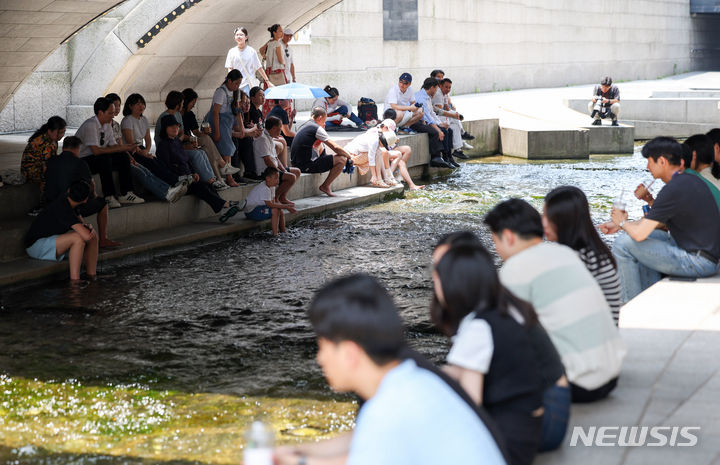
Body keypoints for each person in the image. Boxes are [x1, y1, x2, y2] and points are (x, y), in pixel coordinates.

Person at [274, 273, 507, 465]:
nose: (319, 359)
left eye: (322, 347)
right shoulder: (410, 379)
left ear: (349, 353)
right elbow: (365, 442)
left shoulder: (389, 406)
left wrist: (300, 461)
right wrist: (297, 451)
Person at [431, 234, 566, 464]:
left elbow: (472, 403)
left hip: (508, 445)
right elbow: (459, 371)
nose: (434, 282)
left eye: (438, 275)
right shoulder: (497, 314)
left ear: (455, 283)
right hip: (528, 431)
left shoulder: (475, 328)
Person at [485, 198, 625, 403]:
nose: (496, 249)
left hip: (578, 384)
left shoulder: (514, 269)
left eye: (495, 241)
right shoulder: (565, 253)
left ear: (508, 237)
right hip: (611, 375)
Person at [601, 137, 720, 301]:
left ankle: (629, 305)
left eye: (650, 162)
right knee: (647, 236)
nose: (647, 167)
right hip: (708, 257)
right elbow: (654, 224)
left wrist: (622, 221)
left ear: (662, 161)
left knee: (623, 244)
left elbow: (639, 234)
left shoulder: (673, 189)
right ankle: (648, 297)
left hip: (699, 262)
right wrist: (621, 225)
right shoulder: (688, 181)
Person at [543, 186, 622, 325]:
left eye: (548, 218)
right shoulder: (595, 253)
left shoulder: (574, 260)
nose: (543, 224)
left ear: (564, 221)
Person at [155, 114, 242, 223]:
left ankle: (223, 208)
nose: (175, 128)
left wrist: (194, 173)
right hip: (179, 182)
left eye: (176, 126)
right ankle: (226, 205)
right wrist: (184, 177)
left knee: (208, 185)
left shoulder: (177, 142)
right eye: (171, 126)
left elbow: (186, 162)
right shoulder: (163, 146)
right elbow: (167, 167)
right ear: (165, 129)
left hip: (188, 178)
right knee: (201, 187)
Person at [45, 136, 124, 249]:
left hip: (50, 203)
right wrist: (94, 196)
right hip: (70, 205)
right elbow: (91, 185)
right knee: (103, 203)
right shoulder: (80, 163)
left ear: (64, 148)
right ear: (77, 148)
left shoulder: (50, 161)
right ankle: (103, 239)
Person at [75, 97, 144, 208]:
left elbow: (114, 145)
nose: (113, 115)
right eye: (110, 113)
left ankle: (126, 193)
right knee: (104, 158)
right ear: (100, 113)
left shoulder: (107, 125)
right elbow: (96, 151)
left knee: (123, 157)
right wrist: (123, 148)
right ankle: (109, 196)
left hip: (97, 157)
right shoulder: (90, 125)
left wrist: (127, 148)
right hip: (83, 161)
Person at [25, 179, 98, 282]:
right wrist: (88, 229)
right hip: (35, 247)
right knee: (78, 239)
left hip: (50, 241)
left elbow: (82, 226)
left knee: (93, 235)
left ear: (68, 190)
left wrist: (88, 228)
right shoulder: (63, 206)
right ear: (85, 200)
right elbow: (85, 235)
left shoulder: (70, 202)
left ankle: (92, 275)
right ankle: (75, 282)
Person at [179, 88, 240, 182]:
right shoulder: (176, 115)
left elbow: (196, 132)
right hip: (182, 143)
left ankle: (218, 179)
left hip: (190, 141)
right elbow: (180, 135)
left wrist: (203, 133)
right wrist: (193, 138)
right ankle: (223, 166)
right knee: (205, 142)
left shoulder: (190, 114)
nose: (194, 105)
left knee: (206, 146)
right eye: (193, 102)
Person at [290, 106, 352, 197]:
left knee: (322, 146)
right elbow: (335, 147)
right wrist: (349, 156)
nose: (325, 123)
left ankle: (326, 185)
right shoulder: (316, 128)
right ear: (319, 118)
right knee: (342, 159)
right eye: (325, 120)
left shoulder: (305, 125)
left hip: (297, 163)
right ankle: (325, 186)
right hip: (304, 166)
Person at [20, 116, 67, 215]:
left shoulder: (53, 140)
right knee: (49, 176)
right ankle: (43, 205)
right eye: (60, 132)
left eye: (63, 132)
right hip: (30, 170)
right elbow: (48, 164)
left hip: (43, 166)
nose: (62, 135)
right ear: (50, 131)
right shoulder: (41, 141)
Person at [253, 115, 300, 204]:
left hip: (274, 167)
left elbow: (275, 158)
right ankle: (276, 198)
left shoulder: (270, 138)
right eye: (279, 128)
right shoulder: (262, 139)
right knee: (291, 177)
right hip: (266, 171)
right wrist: (278, 172)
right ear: (274, 128)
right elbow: (267, 160)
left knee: (296, 171)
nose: (281, 131)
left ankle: (283, 197)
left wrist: (283, 170)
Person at [413, 77, 457, 168]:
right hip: (416, 122)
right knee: (437, 132)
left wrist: (440, 124)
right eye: (436, 88)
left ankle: (448, 156)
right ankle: (437, 157)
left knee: (449, 130)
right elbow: (427, 117)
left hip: (425, 120)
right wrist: (438, 129)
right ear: (432, 87)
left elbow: (432, 113)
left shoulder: (427, 97)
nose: (437, 91)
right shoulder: (421, 98)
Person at [343, 119, 398, 187]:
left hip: (360, 153)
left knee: (379, 152)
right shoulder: (374, 139)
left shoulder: (378, 136)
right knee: (378, 152)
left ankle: (385, 178)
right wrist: (374, 176)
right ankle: (379, 179)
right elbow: (371, 158)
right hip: (351, 156)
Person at [243, 167, 296, 235]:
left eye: (278, 178)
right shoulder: (264, 189)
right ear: (268, 178)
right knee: (275, 210)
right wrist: (286, 206)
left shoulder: (272, 187)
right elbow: (270, 205)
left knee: (280, 211)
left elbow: (273, 202)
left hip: (259, 208)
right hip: (252, 212)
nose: (278, 181)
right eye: (276, 178)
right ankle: (275, 235)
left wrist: (284, 206)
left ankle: (283, 232)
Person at [225, 26, 271, 95]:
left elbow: (259, 67)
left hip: (248, 84)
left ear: (246, 37)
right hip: (236, 85)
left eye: (241, 35)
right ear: (235, 37)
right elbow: (230, 68)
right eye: (237, 35)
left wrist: (267, 81)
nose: (239, 37)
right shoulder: (232, 52)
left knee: (247, 104)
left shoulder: (251, 51)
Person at [437, 78, 472, 159]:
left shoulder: (444, 94)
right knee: (454, 116)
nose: (448, 89)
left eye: (449, 87)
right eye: (446, 87)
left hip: (442, 116)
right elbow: (439, 111)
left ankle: (458, 150)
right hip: (436, 118)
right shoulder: (438, 94)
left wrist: (455, 113)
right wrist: (454, 115)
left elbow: (446, 108)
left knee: (455, 126)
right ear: (440, 86)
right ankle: (463, 134)